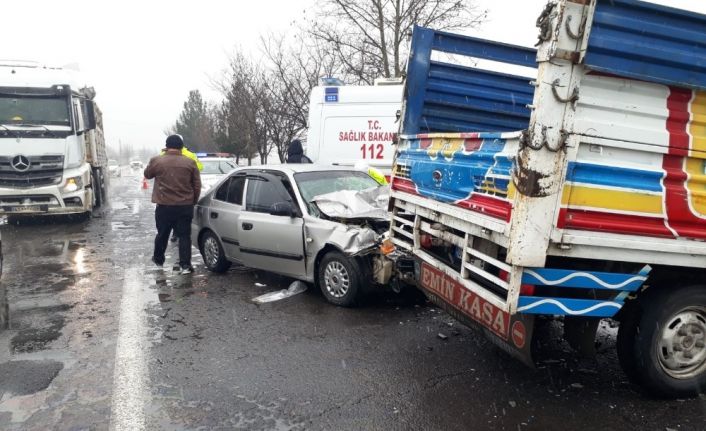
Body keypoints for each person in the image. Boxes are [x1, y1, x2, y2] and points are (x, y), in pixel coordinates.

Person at [144, 134, 201, 274]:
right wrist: (193, 201)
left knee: (162, 233)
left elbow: (148, 174)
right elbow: (197, 185)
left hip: (164, 206)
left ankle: (158, 260)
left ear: (166, 146)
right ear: (181, 147)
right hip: (185, 206)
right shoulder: (190, 162)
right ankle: (185, 265)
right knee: (184, 236)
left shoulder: (157, 161)